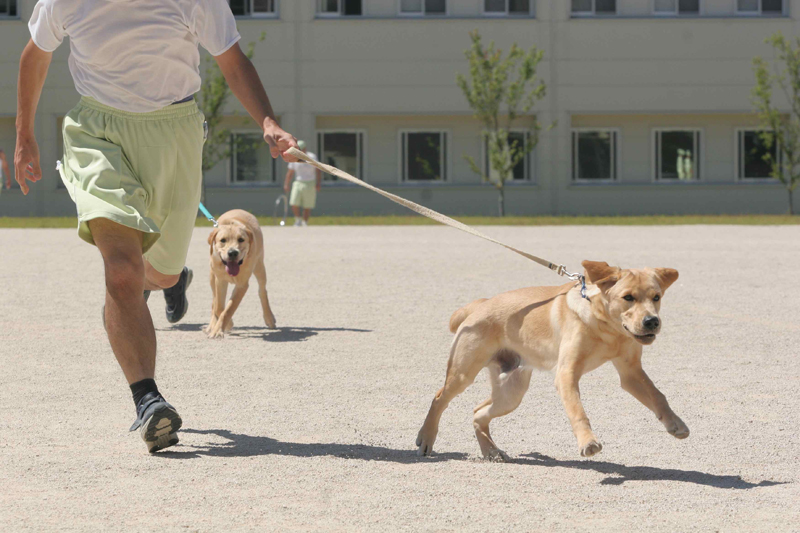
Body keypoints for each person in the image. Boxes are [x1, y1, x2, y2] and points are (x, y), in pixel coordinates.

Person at [15, 0, 298, 453]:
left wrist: (266, 120)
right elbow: (36, 54)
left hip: (175, 134)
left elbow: (231, 59)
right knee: (122, 269)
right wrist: (24, 135)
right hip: (97, 134)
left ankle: (169, 281)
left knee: (160, 273)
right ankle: (148, 400)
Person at [283, 140, 322, 226]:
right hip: (298, 182)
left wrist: (318, 183)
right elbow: (290, 172)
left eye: (301, 149)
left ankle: (305, 221)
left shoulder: (312, 156)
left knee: (308, 204)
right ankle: (298, 220)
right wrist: (286, 184)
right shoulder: (294, 157)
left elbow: (318, 171)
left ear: (305, 148)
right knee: (294, 202)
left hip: (310, 182)